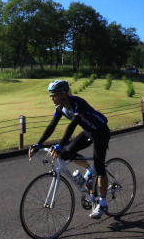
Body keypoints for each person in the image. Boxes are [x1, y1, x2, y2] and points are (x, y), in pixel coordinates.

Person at [29, 80, 112, 219]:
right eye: (50, 95)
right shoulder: (60, 108)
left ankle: (103, 203)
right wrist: (38, 144)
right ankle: (89, 170)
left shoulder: (78, 103)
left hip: (101, 132)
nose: (51, 98)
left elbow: (72, 125)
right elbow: (51, 127)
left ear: (63, 94)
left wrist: (59, 145)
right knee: (67, 153)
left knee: (99, 165)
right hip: (88, 131)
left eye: (53, 95)